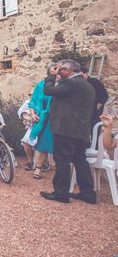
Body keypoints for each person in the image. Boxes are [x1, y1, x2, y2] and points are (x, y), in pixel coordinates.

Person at [40, 59, 96, 204]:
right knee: (80, 161)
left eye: (60, 69)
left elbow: (48, 90)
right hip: (80, 130)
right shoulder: (87, 85)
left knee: (62, 160)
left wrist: (51, 76)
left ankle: (61, 193)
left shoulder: (71, 83)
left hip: (66, 129)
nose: (58, 71)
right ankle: (88, 193)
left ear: (68, 71)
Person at [28, 66, 55, 180]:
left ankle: (61, 171)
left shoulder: (63, 85)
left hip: (58, 118)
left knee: (60, 145)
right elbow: (33, 101)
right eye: (54, 69)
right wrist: (33, 114)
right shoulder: (41, 85)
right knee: (43, 144)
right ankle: (38, 168)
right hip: (45, 118)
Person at [82, 67, 109, 135]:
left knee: (94, 128)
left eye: (81, 75)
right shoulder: (78, 83)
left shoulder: (95, 82)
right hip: (83, 110)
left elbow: (104, 95)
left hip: (95, 110)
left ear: (86, 74)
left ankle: (95, 144)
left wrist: (99, 103)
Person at [17, 95, 37, 170]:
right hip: (32, 127)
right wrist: (25, 117)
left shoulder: (43, 101)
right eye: (31, 95)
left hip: (44, 125)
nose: (32, 96)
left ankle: (44, 163)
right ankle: (30, 161)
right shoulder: (28, 102)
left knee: (42, 142)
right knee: (26, 142)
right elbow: (20, 111)